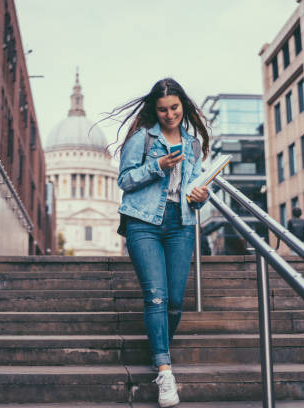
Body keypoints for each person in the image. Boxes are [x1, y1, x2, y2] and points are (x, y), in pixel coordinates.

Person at [113, 78, 210, 407]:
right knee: (156, 296)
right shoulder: (142, 138)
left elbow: (193, 192)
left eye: (175, 108)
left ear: (184, 106)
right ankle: (165, 372)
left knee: (175, 302)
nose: (170, 115)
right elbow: (124, 180)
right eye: (163, 110)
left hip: (180, 224)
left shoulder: (193, 145)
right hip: (144, 222)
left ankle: (158, 348)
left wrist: (201, 196)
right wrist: (157, 166)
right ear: (154, 110)